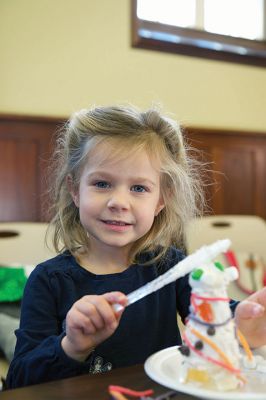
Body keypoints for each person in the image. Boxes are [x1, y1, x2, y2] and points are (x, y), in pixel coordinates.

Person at [5, 105, 266, 389]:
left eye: (139, 188)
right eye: (102, 183)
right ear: (74, 189)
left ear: (161, 200)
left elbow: (215, 317)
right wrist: (72, 346)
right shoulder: (48, 281)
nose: (119, 202)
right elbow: (20, 381)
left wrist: (244, 323)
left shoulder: (172, 267)